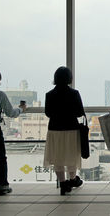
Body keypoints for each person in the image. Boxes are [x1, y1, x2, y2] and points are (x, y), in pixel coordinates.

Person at [43, 67, 84, 195]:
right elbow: (79, 112)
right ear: (69, 78)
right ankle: (72, 180)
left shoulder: (49, 94)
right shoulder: (74, 93)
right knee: (71, 155)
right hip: (71, 128)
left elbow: (48, 113)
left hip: (55, 129)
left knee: (57, 157)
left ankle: (62, 183)